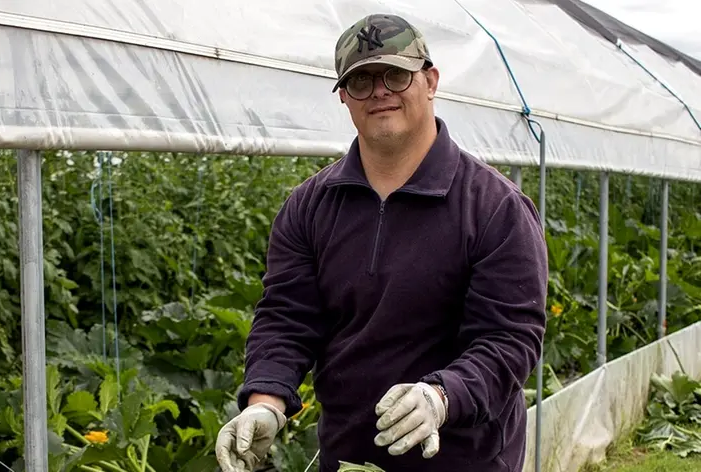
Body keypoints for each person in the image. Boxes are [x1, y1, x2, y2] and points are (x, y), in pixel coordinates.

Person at [214, 12, 548, 472]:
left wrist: (441, 396)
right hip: (348, 458)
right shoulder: (310, 206)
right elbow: (287, 316)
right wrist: (266, 401)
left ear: (430, 81)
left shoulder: (494, 207)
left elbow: (508, 339)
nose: (379, 92)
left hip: (463, 459)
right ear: (343, 97)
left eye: (396, 75)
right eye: (361, 80)